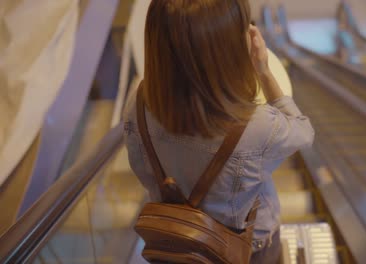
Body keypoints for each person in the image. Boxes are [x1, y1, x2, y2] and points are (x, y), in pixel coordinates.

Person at [124, 0, 314, 263]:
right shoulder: (257, 125)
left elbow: (143, 172)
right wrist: (263, 71)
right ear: (227, 51)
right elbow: (304, 132)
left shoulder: (137, 103)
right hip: (246, 248)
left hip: (176, 243)